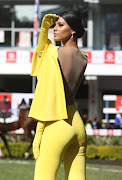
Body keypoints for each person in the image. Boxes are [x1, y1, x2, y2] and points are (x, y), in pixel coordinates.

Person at [28, 11, 88, 180]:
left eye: (60, 25)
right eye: (54, 25)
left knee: (44, 176)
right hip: (76, 123)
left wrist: (43, 29)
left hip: (57, 124)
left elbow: (41, 52)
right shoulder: (84, 57)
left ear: (73, 30)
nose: (54, 29)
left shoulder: (56, 53)